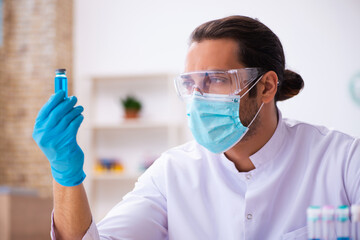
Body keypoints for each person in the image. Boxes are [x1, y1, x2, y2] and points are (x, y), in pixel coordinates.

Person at [33, 15, 360, 240]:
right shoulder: (171, 173)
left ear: (266, 87)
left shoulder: (343, 161)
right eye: (191, 83)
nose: (198, 97)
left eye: (217, 79)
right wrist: (65, 175)